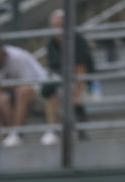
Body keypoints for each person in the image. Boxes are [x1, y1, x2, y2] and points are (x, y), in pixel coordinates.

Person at [40, 8, 95, 145]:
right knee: (48, 89)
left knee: (65, 90)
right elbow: (53, 67)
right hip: (62, 80)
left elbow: (82, 69)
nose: (58, 29)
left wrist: (78, 94)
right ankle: (55, 129)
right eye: (55, 26)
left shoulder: (76, 39)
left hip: (85, 82)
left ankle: (73, 128)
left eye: (61, 25)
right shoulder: (52, 42)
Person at [0, 43, 49, 148]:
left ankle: (17, 133)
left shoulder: (18, 57)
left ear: (3, 53)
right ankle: (8, 134)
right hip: (14, 92)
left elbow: (28, 84)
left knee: (22, 92)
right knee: (1, 98)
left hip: (40, 87)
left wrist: (6, 88)